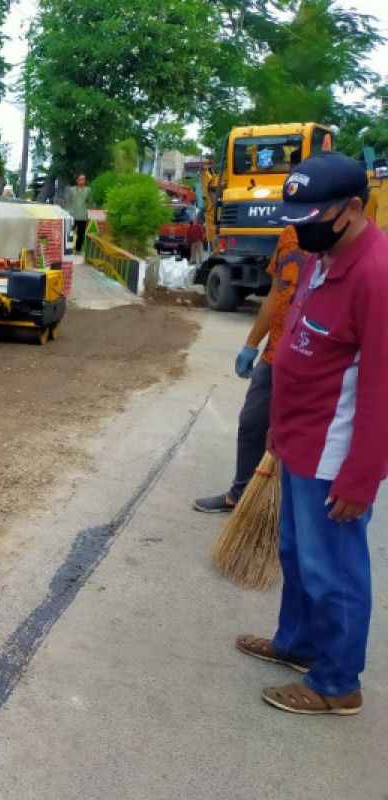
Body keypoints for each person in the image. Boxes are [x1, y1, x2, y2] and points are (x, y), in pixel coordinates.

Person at [235, 151, 388, 716]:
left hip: (335, 453)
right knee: (297, 553)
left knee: (334, 570)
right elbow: (300, 340)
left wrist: (362, 475)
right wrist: (277, 424)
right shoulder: (322, 253)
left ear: (354, 208)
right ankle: (297, 643)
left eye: (312, 217)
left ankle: (337, 683)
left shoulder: (376, 273)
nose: (301, 229)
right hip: (299, 437)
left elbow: (382, 386)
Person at [193, 226, 307, 512]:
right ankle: (240, 494)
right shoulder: (289, 235)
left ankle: (293, 509)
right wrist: (252, 343)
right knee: (253, 423)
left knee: (298, 437)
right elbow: (275, 293)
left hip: (310, 357)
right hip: (274, 355)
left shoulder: (340, 242)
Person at [64, 174, 93, 253]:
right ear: (77, 180)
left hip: (83, 215)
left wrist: (87, 209)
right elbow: (68, 201)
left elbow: (90, 201)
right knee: (69, 232)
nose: (82, 181)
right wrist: (68, 212)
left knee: (81, 233)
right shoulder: (71, 190)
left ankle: (78, 249)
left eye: (83, 179)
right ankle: (67, 249)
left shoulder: (88, 190)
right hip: (73, 214)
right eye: (80, 179)